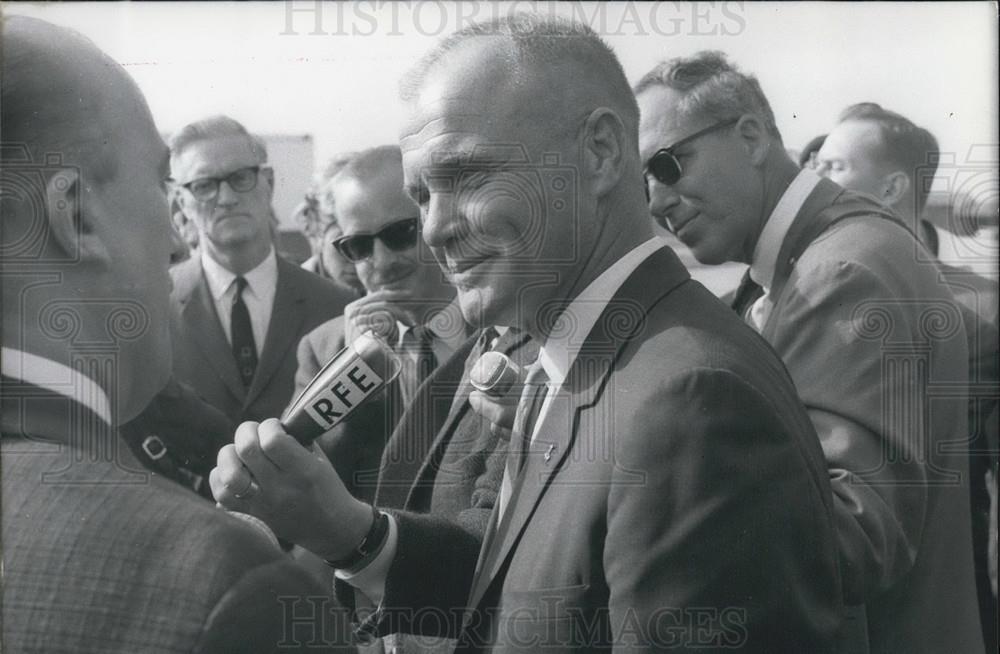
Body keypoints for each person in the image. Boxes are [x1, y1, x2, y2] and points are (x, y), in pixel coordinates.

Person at [213, 15, 843, 652]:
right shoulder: (580, 357)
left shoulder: (690, 400)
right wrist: (348, 533)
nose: (433, 229)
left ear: (599, 152)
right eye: (422, 194)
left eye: (465, 177)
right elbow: (525, 592)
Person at [1, 16, 348, 653]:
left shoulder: (337, 306)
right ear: (76, 215)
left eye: (238, 179)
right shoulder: (226, 586)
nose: (173, 237)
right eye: (166, 185)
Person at [636, 51, 984, 653]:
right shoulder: (825, 255)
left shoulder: (839, 272)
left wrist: (653, 469)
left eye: (667, 165)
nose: (655, 201)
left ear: (749, 136)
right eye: (641, 181)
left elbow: (848, 537)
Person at [815, 101, 999, 651]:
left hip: (942, 607)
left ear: (893, 186)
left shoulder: (983, 309)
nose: (813, 180)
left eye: (834, 167)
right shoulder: (786, 293)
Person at [295, 145, 466, 502]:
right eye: (359, 246)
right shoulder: (325, 349)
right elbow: (303, 484)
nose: (382, 261)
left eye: (400, 233)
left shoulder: (505, 327)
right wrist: (353, 376)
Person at [168, 115, 354, 426]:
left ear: (268, 182)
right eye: (204, 186)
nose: (226, 198)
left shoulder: (335, 305)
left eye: (241, 178)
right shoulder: (157, 306)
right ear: (182, 202)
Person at [297, 152, 366, 295]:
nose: (358, 258)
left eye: (365, 243)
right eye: (345, 243)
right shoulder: (290, 293)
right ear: (312, 223)